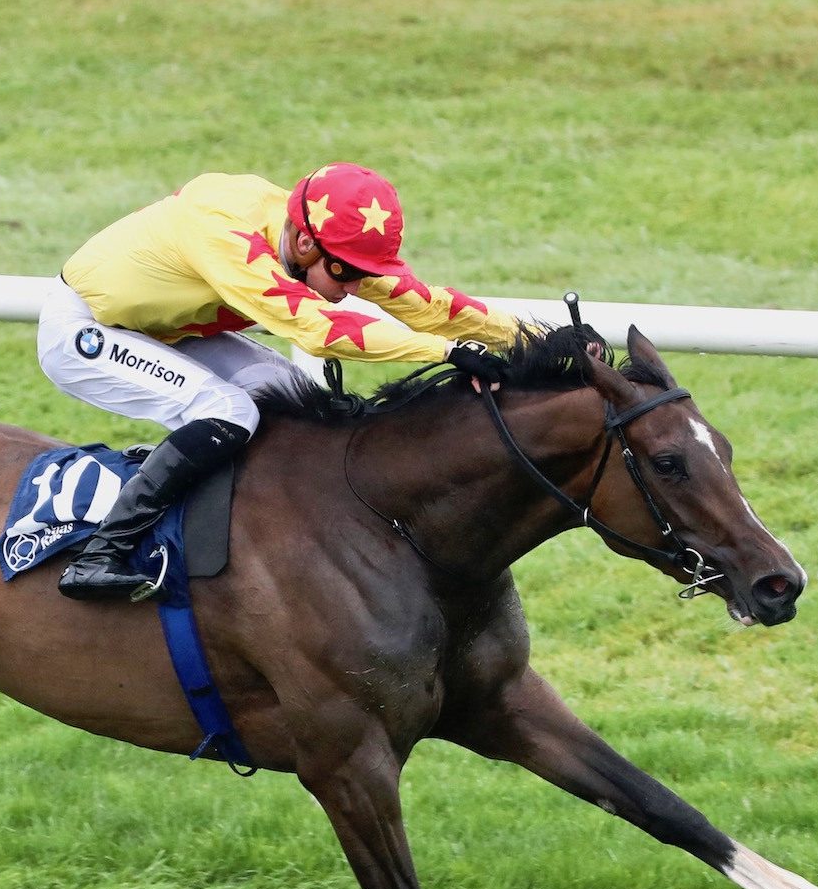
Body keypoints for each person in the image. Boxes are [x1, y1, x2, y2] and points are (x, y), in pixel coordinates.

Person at [38, 162, 523, 601]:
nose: (355, 288)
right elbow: (320, 329)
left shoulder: (315, 236)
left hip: (164, 328)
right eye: (349, 273)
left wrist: (535, 336)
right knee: (230, 411)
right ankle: (101, 554)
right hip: (86, 331)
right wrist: (447, 352)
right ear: (307, 244)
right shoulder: (226, 236)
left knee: (290, 391)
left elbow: (426, 304)